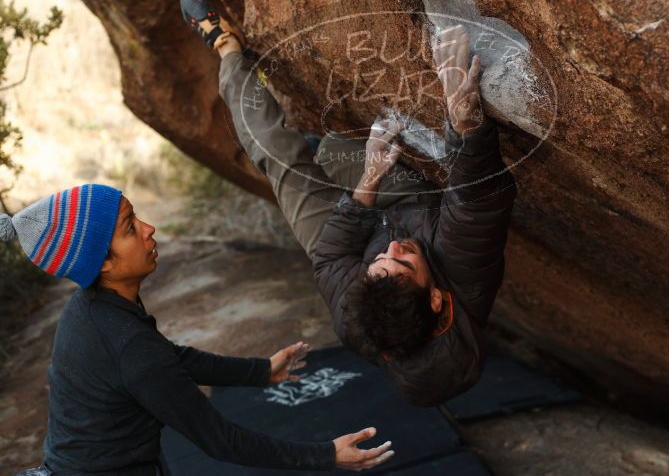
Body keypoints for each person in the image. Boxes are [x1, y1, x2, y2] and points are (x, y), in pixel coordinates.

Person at [179, 0, 516, 408]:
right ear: (437, 298)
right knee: (334, 149)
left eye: (380, 264)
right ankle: (325, 152)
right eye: (405, 261)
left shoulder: (355, 319)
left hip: (346, 236)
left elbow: (332, 256)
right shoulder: (462, 276)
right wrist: (463, 120)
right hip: (408, 207)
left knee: (277, 158)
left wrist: (369, 181)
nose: (392, 250)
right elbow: (478, 200)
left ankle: (229, 51)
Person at [2, 186, 393, 476]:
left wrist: (259, 371)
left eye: (136, 216)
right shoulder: (127, 345)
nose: (149, 229)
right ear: (99, 263)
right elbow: (220, 439)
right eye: (129, 228)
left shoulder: (90, 309)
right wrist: (327, 454)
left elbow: (170, 358)